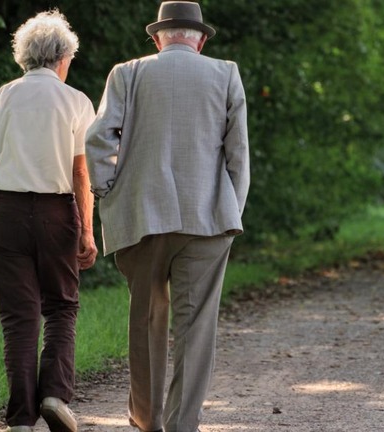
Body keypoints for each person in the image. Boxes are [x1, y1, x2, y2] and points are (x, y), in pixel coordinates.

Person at [85, 2, 249, 431]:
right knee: (196, 329)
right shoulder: (225, 73)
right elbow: (238, 154)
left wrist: (107, 191)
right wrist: (234, 210)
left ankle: (147, 422)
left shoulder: (127, 73)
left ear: (158, 37)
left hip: (142, 214)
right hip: (208, 218)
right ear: (201, 38)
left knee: (145, 321)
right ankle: (182, 426)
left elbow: (99, 138)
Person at [0, 10, 97, 432]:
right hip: (57, 214)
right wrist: (88, 230)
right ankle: (54, 395)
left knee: (18, 317)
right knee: (61, 306)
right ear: (62, 57)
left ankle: (20, 420)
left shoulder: (1, 97)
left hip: (6, 213)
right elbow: (80, 174)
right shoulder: (76, 102)